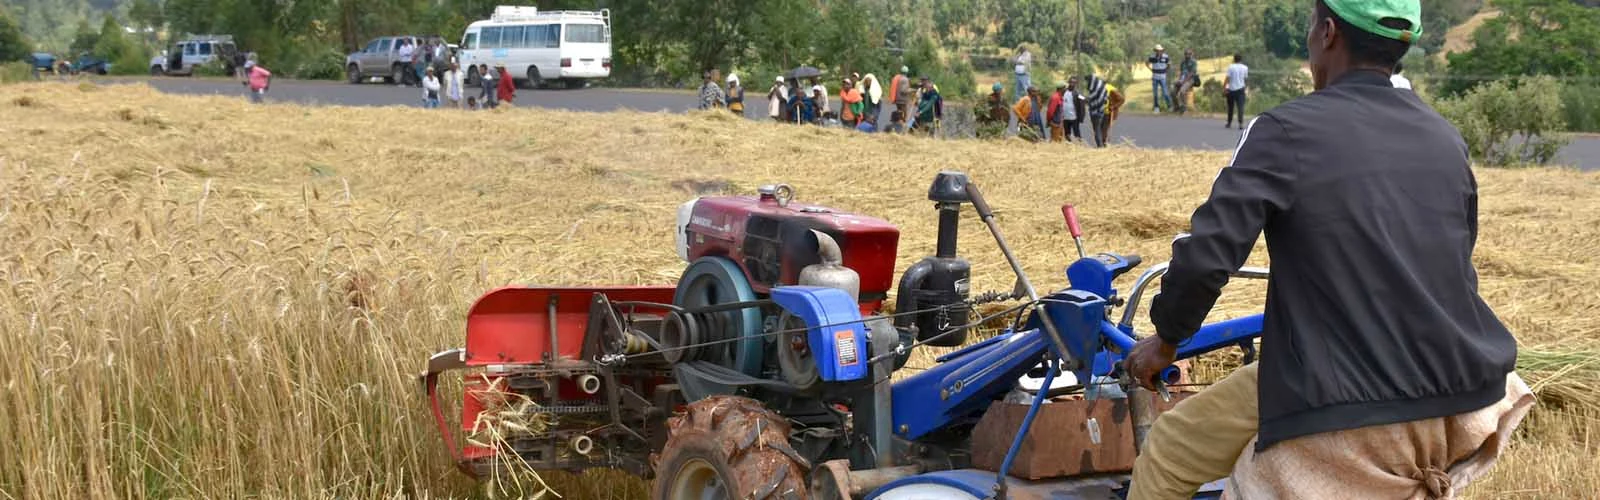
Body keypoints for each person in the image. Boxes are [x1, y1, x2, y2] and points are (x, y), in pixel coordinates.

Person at [1123, 1, 1531, 498]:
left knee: (1168, 449)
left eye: (1313, 25)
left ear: (1329, 33)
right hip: (1459, 390)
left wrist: (1165, 341)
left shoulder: (1286, 130)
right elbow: (1457, 259)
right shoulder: (1444, 137)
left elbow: (1208, 256)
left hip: (1344, 389)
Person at [1082, 74, 1109, 147]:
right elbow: (1106, 99)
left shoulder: (1094, 90)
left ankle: (1100, 146)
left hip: (1095, 113)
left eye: (1088, 81)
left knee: (1097, 130)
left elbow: (1089, 100)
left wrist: (1081, 97)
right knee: (1100, 129)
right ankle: (1102, 144)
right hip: (1102, 111)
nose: (1088, 83)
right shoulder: (1102, 88)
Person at [1224, 53, 1249, 128]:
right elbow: (1245, 79)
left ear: (1234, 59)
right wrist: (1247, 88)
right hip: (1241, 89)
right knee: (1240, 107)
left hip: (1231, 89)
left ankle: (1229, 123)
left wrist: (1225, 88)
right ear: (1241, 60)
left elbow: (1228, 78)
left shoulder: (1231, 67)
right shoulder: (1245, 68)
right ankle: (1240, 123)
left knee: (1230, 107)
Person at [1148, 44, 1172, 113]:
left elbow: (1169, 64)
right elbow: (1147, 63)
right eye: (1157, 50)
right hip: (1155, 77)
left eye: (1160, 50)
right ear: (1155, 51)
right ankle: (1156, 107)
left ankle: (1169, 106)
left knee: (1165, 93)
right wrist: (1151, 69)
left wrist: (1165, 71)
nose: (1158, 52)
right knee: (1155, 93)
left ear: (1162, 50)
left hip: (1163, 77)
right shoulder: (1152, 57)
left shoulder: (1166, 56)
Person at [1176, 48, 1200, 115]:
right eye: (1186, 54)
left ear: (1191, 54)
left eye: (1189, 54)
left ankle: (1184, 108)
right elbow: (1181, 72)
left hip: (1190, 79)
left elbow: (1192, 73)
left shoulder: (1193, 62)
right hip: (1182, 79)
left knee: (1182, 91)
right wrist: (1179, 80)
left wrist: (1183, 81)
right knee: (1173, 91)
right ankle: (1177, 107)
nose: (1187, 55)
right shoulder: (1183, 62)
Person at [889, 66, 913, 132]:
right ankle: (901, 129)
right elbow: (904, 90)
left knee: (899, 115)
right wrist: (912, 90)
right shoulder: (905, 79)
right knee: (903, 116)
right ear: (907, 72)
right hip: (903, 100)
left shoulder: (898, 78)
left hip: (897, 100)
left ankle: (897, 129)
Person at [1066, 77, 1086, 142]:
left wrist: (1081, 117)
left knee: (1077, 133)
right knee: (1067, 134)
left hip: (1074, 117)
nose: (1072, 84)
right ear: (1068, 82)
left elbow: (1083, 101)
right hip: (1065, 117)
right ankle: (1068, 146)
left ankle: (1080, 146)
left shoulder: (1077, 93)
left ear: (1076, 84)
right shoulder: (1064, 92)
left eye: (1074, 83)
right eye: (1071, 82)